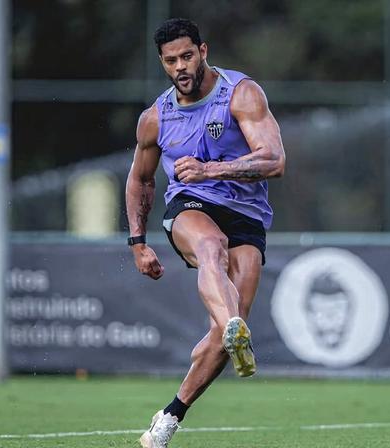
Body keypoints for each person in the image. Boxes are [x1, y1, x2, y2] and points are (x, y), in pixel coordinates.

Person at [124, 18, 285, 448]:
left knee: (220, 340)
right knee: (211, 248)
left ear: (204, 51)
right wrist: (138, 243)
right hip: (190, 208)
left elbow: (274, 159)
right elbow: (140, 180)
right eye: (170, 60)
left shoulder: (241, 94)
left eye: (187, 55)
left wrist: (211, 168)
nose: (180, 66)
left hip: (246, 213)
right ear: (162, 63)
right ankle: (232, 321)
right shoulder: (155, 118)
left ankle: (170, 416)